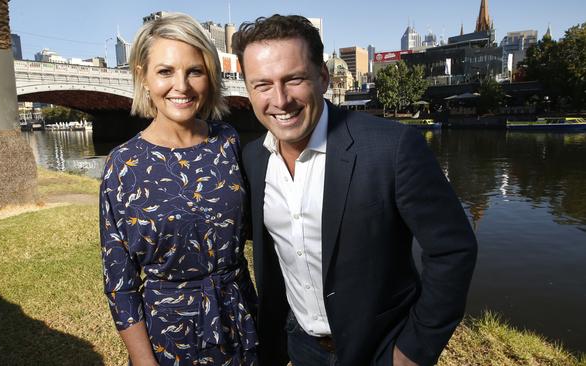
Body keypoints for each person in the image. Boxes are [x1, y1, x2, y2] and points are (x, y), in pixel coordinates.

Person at [232, 15, 477, 366]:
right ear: (248, 89)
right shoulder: (252, 159)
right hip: (299, 345)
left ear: (323, 78)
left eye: (294, 79)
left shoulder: (392, 148)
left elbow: (453, 250)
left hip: (381, 348)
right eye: (262, 85)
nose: (280, 99)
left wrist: (413, 351)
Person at [99, 13, 258, 366]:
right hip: (168, 340)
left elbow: (255, 230)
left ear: (210, 76)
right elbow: (119, 284)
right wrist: (144, 361)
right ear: (143, 76)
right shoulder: (123, 165)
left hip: (241, 324)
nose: (181, 86)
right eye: (166, 71)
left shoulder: (227, 141)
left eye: (194, 71)